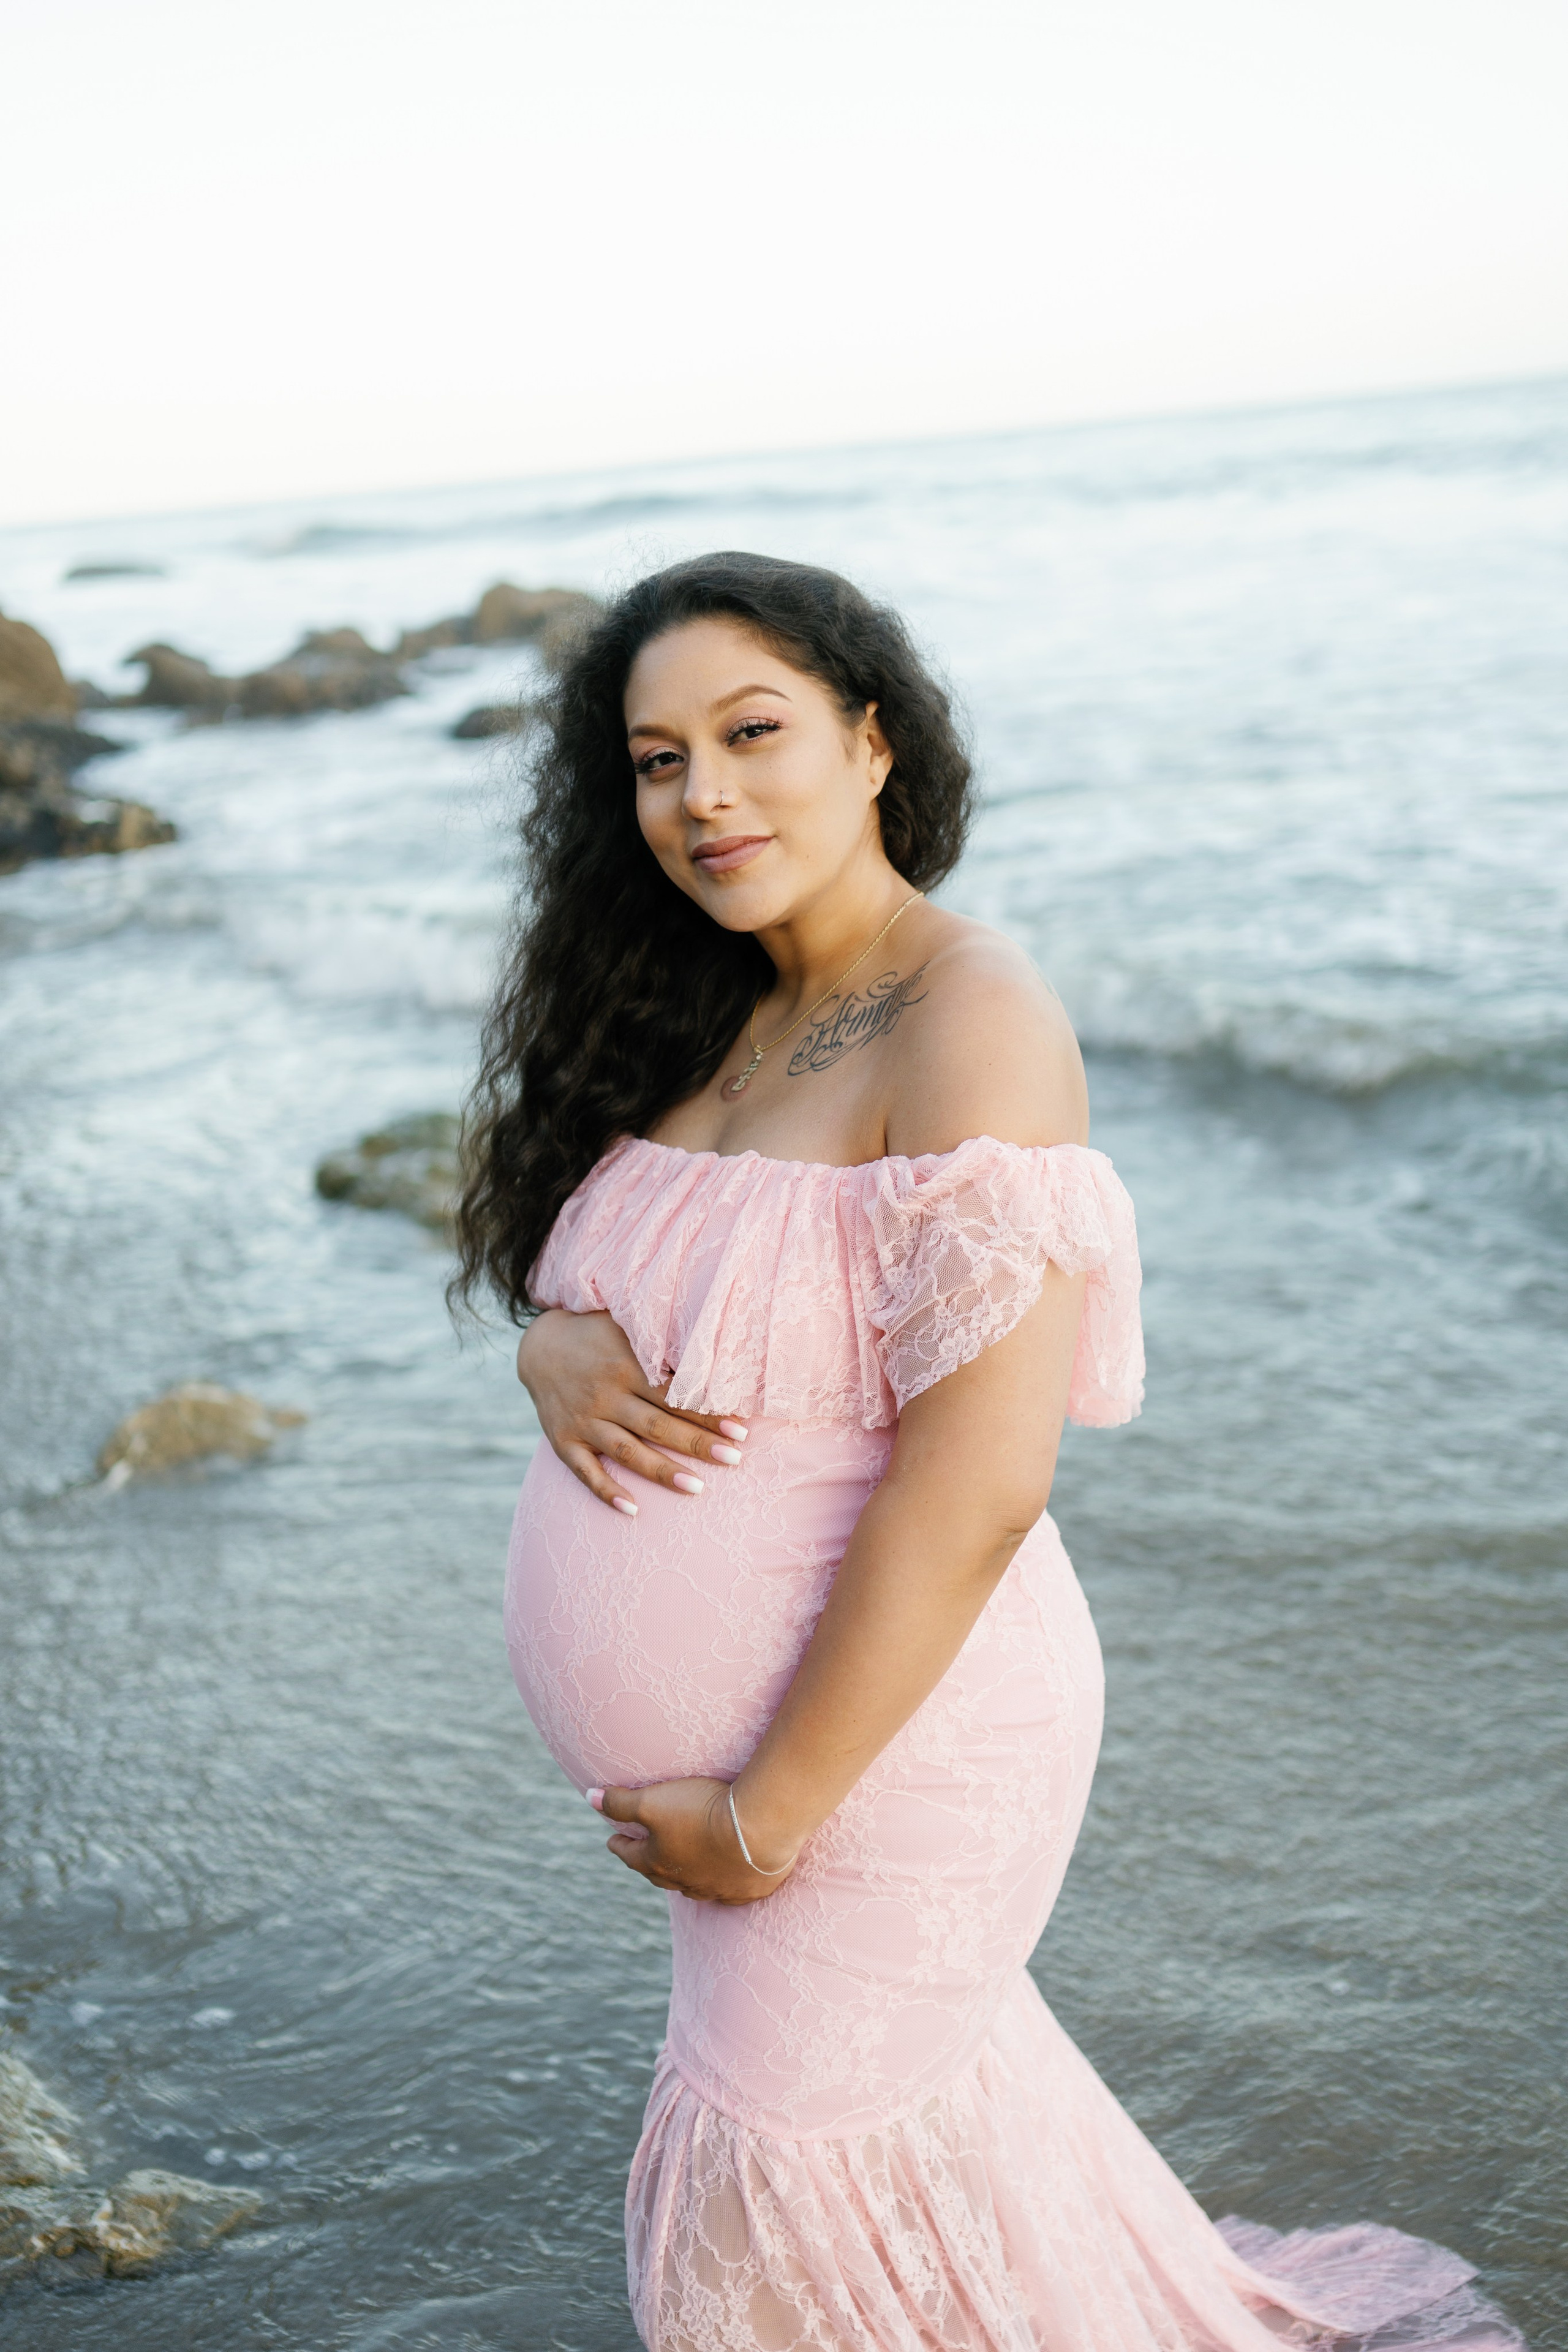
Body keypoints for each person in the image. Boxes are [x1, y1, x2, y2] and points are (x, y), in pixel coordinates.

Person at [454, 553, 1520, 2352]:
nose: (702, 793)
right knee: (915, 2196)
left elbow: (984, 1472)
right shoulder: (700, 1004)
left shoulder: (972, 1018)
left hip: (875, 1765)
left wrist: (768, 1814)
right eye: (654, 760)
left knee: (754, 2254)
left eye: (752, 731)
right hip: (765, 1792)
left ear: (873, 743)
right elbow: (641, 1292)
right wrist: (551, 1350)